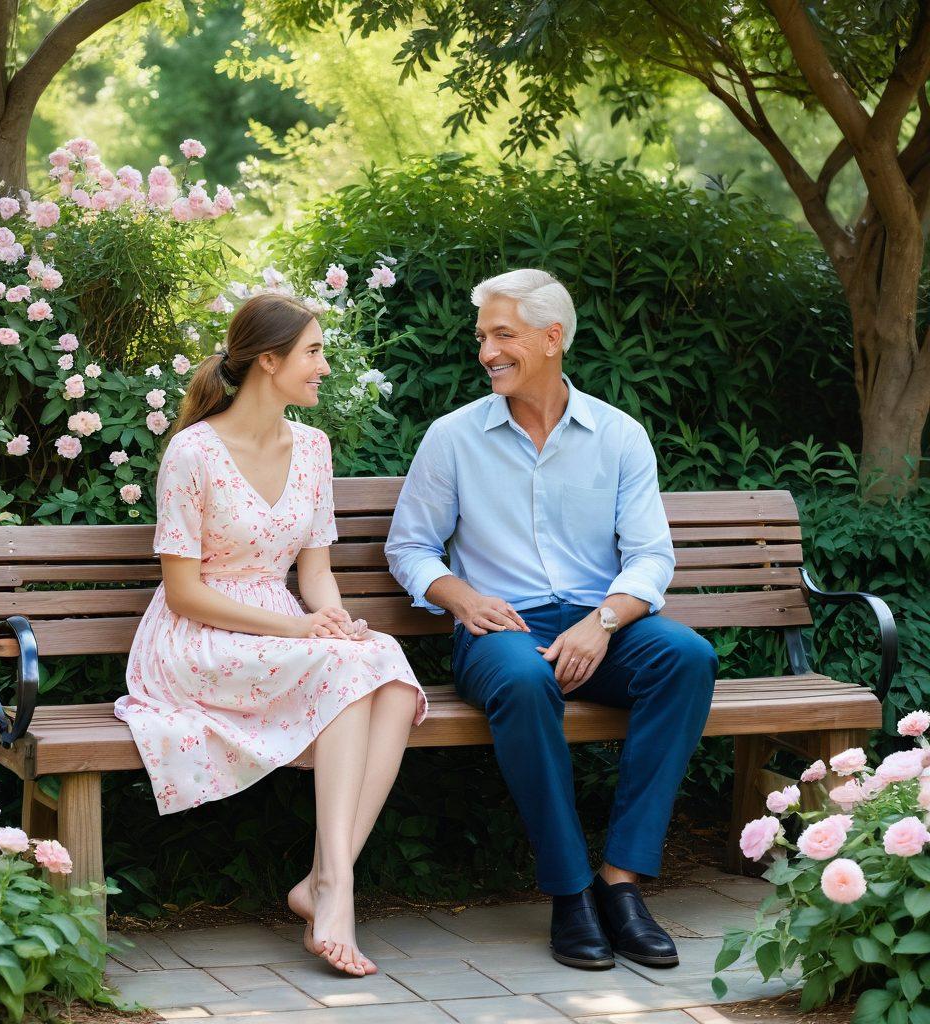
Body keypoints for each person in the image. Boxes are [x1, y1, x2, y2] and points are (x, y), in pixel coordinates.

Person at [385, 268, 717, 970]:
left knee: (687, 658)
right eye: (482, 338)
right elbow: (409, 546)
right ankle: (570, 893)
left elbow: (652, 556)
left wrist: (602, 622)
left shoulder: (618, 436)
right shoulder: (453, 438)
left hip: (600, 626)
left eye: (502, 336)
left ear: (551, 337)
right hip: (499, 631)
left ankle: (621, 884)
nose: (487, 353)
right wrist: (461, 598)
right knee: (523, 681)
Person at [115, 293, 427, 978]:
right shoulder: (192, 452)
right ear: (268, 360)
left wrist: (335, 622)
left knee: (388, 672)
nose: (323, 366)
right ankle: (337, 891)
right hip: (199, 637)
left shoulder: (313, 448)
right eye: (313, 352)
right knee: (343, 671)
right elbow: (184, 591)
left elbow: (314, 571)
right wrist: (299, 627)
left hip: (284, 633)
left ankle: (321, 878)